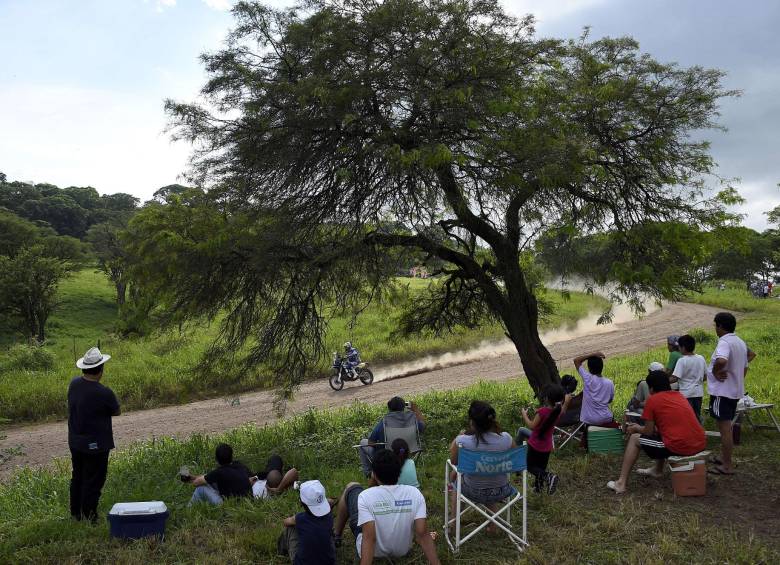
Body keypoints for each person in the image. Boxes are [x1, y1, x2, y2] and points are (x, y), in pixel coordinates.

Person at [607, 370, 706, 494]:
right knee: (662, 433)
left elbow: (647, 431)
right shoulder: (679, 396)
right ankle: (657, 470)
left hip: (682, 446)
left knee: (634, 439)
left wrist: (636, 428)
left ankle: (621, 483)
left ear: (652, 388)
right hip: (699, 442)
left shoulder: (653, 401)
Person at [333, 449, 440, 564]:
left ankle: (336, 536)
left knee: (352, 487)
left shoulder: (365, 496)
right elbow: (422, 533)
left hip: (373, 552)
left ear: (374, 474)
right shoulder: (414, 493)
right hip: (402, 550)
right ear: (399, 472)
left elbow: (369, 538)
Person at [68, 347, 120, 522]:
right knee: (94, 480)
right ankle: (90, 515)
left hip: (76, 441)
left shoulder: (74, 384)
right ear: (101, 370)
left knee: (78, 476)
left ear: (84, 368)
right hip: (96, 445)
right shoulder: (104, 392)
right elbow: (116, 411)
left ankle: (76, 513)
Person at [449, 401, 515, 525]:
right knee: (489, 477)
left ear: (472, 422)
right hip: (502, 490)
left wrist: (459, 436)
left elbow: (453, 461)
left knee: (457, 481)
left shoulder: (463, 441)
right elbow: (514, 459)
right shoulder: (506, 439)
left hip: (474, 491)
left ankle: (453, 524)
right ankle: (493, 526)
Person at [187, 444, 299, 505]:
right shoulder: (238, 466)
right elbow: (293, 472)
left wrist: (191, 478)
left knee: (201, 488)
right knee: (275, 459)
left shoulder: (218, 473)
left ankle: (189, 509)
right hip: (261, 485)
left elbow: (199, 482)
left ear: (217, 459)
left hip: (254, 491)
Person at [707, 312, 748, 475]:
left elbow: (722, 360)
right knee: (727, 428)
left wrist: (717, 372)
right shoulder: (740, 342)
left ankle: (727, 465)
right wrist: (736, 379)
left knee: (724, 430)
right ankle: (725, 459)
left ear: (720, 326)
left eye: (715, 325)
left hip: (721, 393)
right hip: (733, 392)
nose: (715, 329)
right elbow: (745, 367)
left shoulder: (724, 342)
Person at [516, 384, 571, 494]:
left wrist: (524, 415)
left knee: (530, 466)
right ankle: (538, 488)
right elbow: (563, 410)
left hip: (535, 444)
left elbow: (532, 426)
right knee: (540, 467)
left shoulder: (542, 412)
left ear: (547, 398)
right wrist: (567, 401)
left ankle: (549, 476)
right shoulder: (557, 411)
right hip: (547, 447)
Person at [358, 396, 425, 477]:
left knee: (363, 442)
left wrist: (382, 444)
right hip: (408, 451)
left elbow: (370, 442)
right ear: (404, 407)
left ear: (389, 408)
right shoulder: (411, 421)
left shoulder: (385, 422)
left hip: (388, 456)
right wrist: (416, 409)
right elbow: (423, 425)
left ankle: (369, 473)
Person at [277, 480, 336, 565]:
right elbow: (331, 501)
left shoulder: (300, 519)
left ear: (301, 503)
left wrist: (293, 519)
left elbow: (285, 522)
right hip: (329, 562)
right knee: (327, 533)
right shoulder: (329, 517)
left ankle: (281, 551)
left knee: (290, 528)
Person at [573, 351, 617, 447]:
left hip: (590, 419)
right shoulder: (609, 382)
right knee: (609, 416)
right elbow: (609, 400)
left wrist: (592, 354)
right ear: (602, 367)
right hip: (606, 418)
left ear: (589, 368)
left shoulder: (588, 378)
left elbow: (576, 361)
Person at [670, 334, 706, 420]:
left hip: (686, 394)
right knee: (696, 417)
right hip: (698, 393)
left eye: (679, 347)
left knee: (686, 418)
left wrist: (663, 381)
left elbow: (675, 378)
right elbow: (705, 376)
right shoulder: (701, 358)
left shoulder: (682, 360)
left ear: (683, 347)